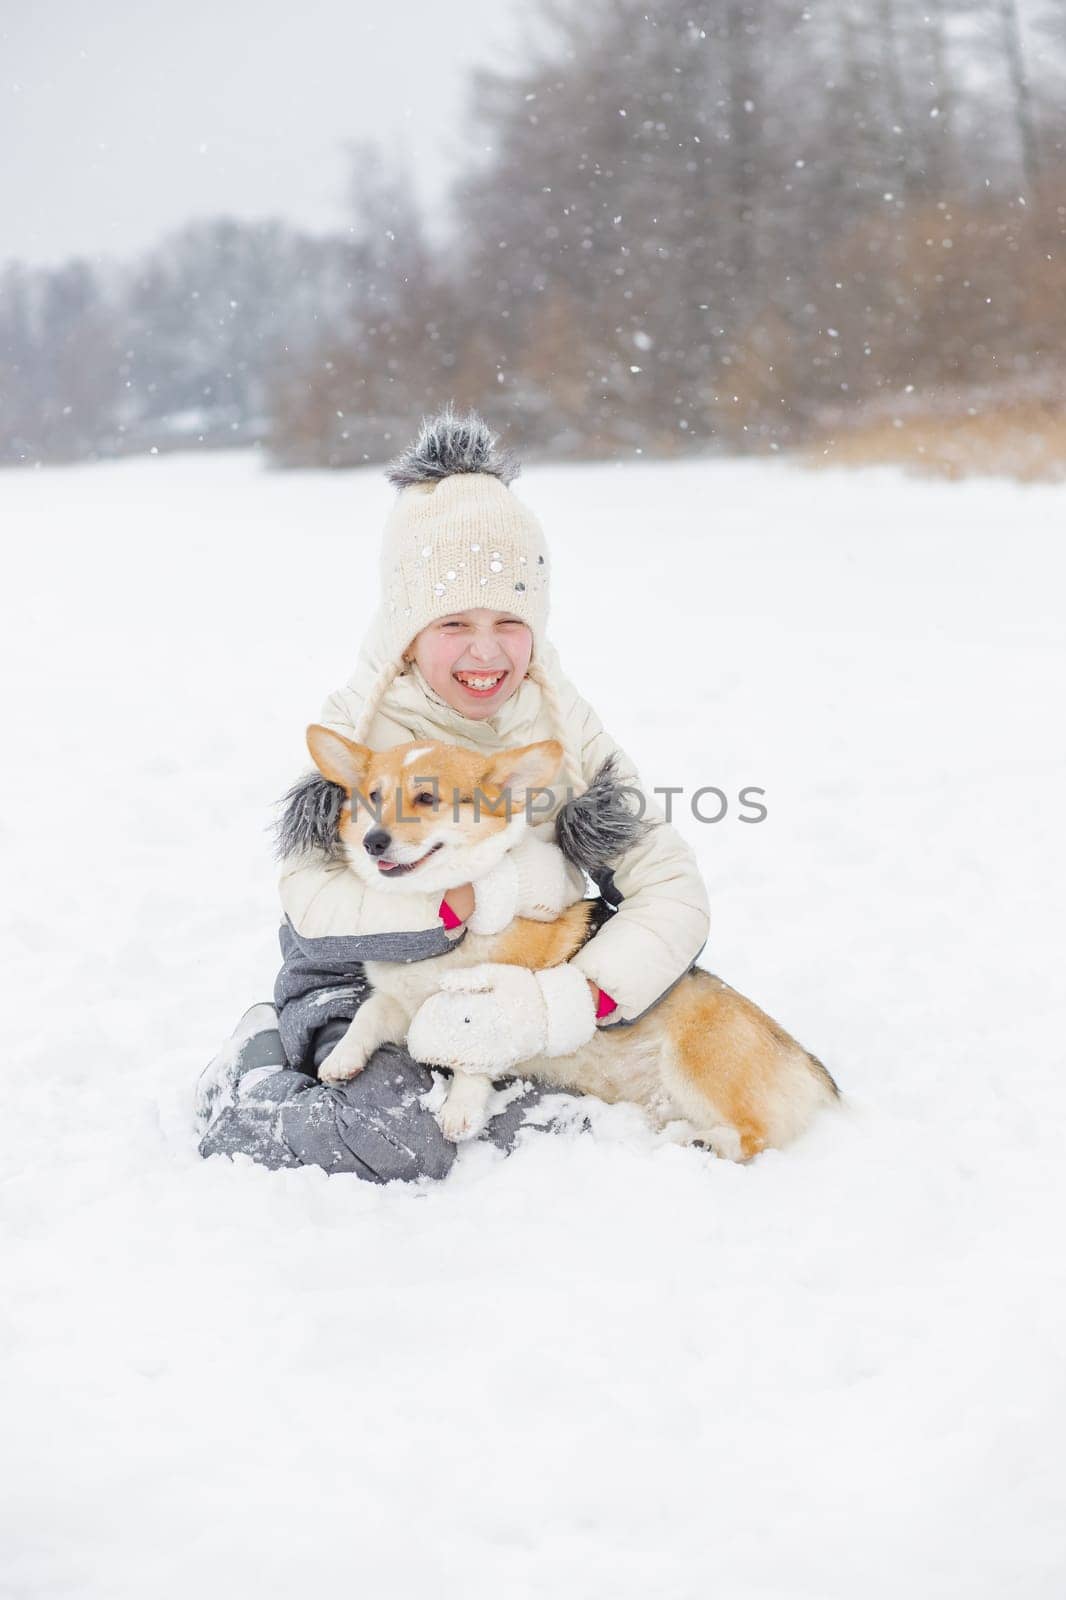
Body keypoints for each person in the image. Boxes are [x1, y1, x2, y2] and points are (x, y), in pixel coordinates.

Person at [197, 408, 710, 1180]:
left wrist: (573, 1002)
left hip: (512, 982)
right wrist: (456, 907)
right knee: (400, 1135)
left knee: (564, 1118)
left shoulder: (566, 737)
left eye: (510, 619)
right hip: (361, 981)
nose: (485, 650)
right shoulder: (365, 732)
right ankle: (255, 1077)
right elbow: (310, 901)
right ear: (407, 629)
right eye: (453, 622)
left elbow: (671, 888)